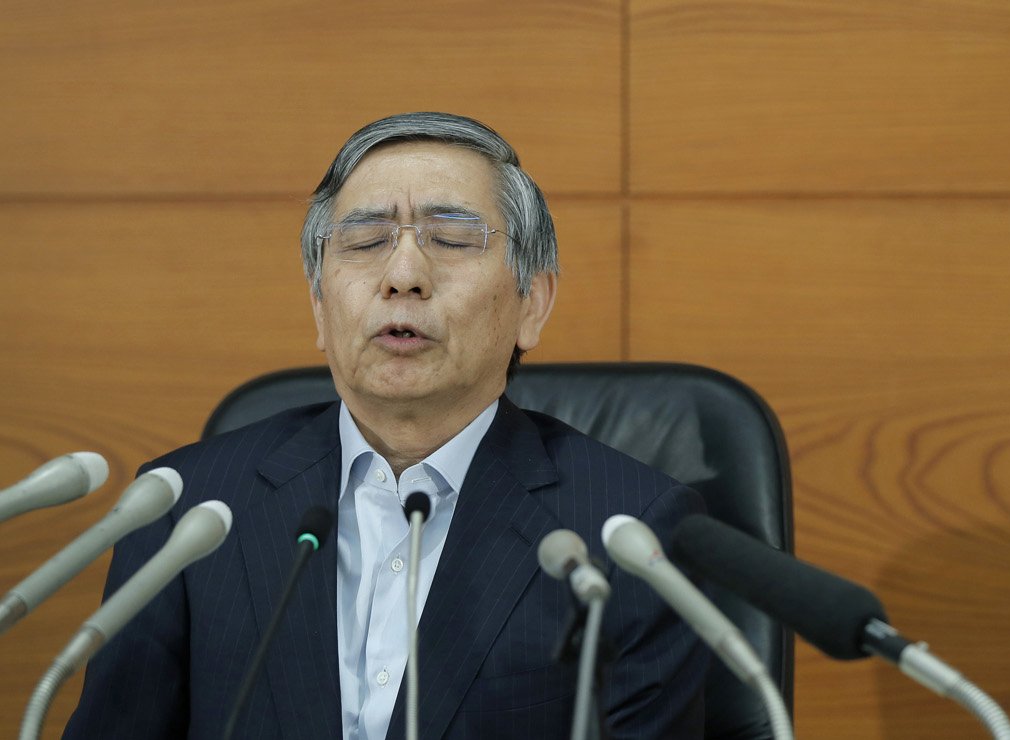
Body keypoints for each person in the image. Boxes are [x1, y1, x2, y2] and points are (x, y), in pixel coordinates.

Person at [64, 112, 708, 739]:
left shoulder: (631, 532)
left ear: (531, 305)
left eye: (451, 239)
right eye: (367, 241)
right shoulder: (186, 512)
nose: (403, 276)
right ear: (319, 305)